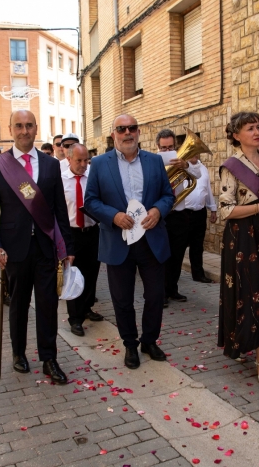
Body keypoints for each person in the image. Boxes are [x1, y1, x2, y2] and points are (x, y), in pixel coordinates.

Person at [0, 110, 75, 384]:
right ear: (11, 129)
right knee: (19, 304)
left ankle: (49, 358)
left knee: (47, 305)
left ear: (36, 129)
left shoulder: (50, 165)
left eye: (29, 126)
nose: (24, 131)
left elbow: (59, 208)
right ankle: (18, 353)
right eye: (19, 126)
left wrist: (67, 245)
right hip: (14, 248)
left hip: (46, 246)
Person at [85, 114, 174, 370]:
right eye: (121, 129)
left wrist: (158, 210)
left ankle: (149, 341)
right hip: (117, 242)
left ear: (138, 131)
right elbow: (91, 201)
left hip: (151, 241)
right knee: (122, 299)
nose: (127, 133)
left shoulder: (155, 161)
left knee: (156, 295)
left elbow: (168, 196)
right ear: (113, 134)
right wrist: (113, 216)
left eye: (132, 128)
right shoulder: (100, 164)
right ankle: (130, 345)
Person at [218, 112, 259, 387]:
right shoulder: (231, 167)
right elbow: (225, 210)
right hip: (242, 236)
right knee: (250, 291)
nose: (257, 132)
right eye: (250, 128)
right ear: (236, 135)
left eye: (258, 127)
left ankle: (244, 340)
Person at [61, 143, 103, 336]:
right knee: (73, 276)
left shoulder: (93, 178)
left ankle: (87, 308)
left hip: (92, 231)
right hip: (71, 234)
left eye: (86, 160)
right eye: (79, 160)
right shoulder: (61, 180)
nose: (84, 164)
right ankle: (75, 318)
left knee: (91, 272)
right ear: (68, 159)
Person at [156, 129, 201, 306]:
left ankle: (172, 290)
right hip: (162, 215)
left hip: (180, 215)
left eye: (171, 147)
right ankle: (160, 293)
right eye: (164, 148)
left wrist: (186, 166)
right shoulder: (153, 162)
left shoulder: (183, 161)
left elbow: (197, 175)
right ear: (157, 147)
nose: (168, 151)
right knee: (161, 257)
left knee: (177, 255)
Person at [184, 154, 217, 284]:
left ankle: (198, 274)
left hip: (200, 212)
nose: (195, 154)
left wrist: (212, 208)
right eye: (193, 151)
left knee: (197, 245)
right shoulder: (182, 167)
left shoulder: (203, 168)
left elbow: (207, 189)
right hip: (184, 213)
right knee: (179, 247)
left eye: (198, 152)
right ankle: (171, 282)